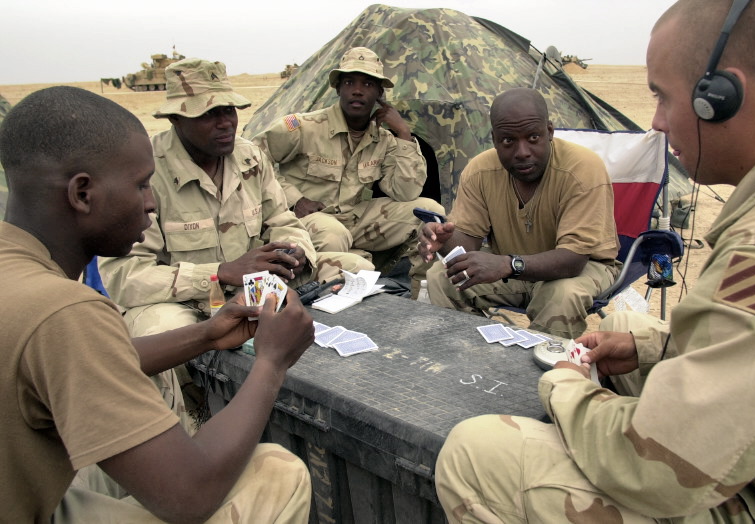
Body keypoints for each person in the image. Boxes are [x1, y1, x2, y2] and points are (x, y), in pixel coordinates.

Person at [434, 0, 755, 521]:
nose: (655, 121)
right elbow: (750, 354)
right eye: (507, 140)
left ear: (720, 98)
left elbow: (657, 468)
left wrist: (564, 384)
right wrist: (455, 243)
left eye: (663, 96)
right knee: (626, 323)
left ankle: (521, 402)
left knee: (474, 449)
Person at [0, 86, 314, 522]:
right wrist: (272, 363)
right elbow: (190, 495)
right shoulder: (65, 310)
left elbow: (97, 358)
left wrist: (207, 333)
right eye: (141, 185)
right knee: (278, 472)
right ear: (82, 194)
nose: (151, 203)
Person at [97, 58, 372, 414]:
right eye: (209, 114)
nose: (225, 122)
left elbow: (282, 218)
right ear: (176, 119)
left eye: (229, 110)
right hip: (185, 304)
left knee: (355, 270)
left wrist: (295, 250)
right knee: (158, 330)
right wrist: (220, 272)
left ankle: (342, 393)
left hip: (252, 288)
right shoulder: (146, 171)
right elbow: (123, 277)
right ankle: (192, 422)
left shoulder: (248, 156)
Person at [418, 88, 620, 338]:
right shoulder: (480, 171)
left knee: (561, 295)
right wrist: (444, 241)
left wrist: (507, 264)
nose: (522, 151)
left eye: (533, 137)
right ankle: (468, 359)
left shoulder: (582, 169)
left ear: (549, 132)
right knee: (442, 276)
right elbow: (467, 245)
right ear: (494, 139)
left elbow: (573, 260)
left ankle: (547, 371)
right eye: (508, 141)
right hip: (511, 267)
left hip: (579, 268)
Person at [252, 47, 445, 298]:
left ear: (379, 93)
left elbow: (405, 191)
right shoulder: (304, 127)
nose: (357, 90)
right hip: (306, 220)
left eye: (367, 83)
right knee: (333, 235)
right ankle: (317, 307)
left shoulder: (383, 138)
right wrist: (294, 199)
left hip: (354, 217)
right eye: (349, 82)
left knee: (430, 213)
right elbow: (254, 161)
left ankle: (416, 298)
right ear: (337, 88)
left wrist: (404, 135)